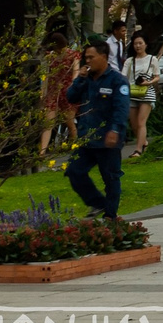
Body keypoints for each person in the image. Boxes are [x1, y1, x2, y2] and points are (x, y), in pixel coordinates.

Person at [63, 42, 130, 218]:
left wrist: (115, 130)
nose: (88, 61)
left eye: (91, 57)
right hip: (87, 138)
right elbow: (70, 97)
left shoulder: (117, 81)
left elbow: (121, 109)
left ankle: (110, 216)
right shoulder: (86, 79)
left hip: (108, 139)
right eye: (86, 58)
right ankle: (97, 203)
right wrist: (80, 78)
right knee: (74, 171)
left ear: (104, 57)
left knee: (111, 178)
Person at [39, 36, 81, 155]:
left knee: (69, 121)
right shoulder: (50, 56)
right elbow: (47, 75)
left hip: (67, 92)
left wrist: (73, 85)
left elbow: (75, 71)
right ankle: (42, 152)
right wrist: (43, 92)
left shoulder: (73, 55)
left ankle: (75, 147)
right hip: (53, 92)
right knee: (48, 123)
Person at [121, 34, 160, 158]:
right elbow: (123, 76)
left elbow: (157, 76)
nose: (138, 46)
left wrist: (149, 82)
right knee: (134, 124)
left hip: (147, 93)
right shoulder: (130, 61)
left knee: (141, 122)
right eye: (135, 44)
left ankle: (138, 150)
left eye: (140, 43)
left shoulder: (152, 59)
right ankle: (144, 143)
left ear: (146, 44)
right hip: (132, 93)